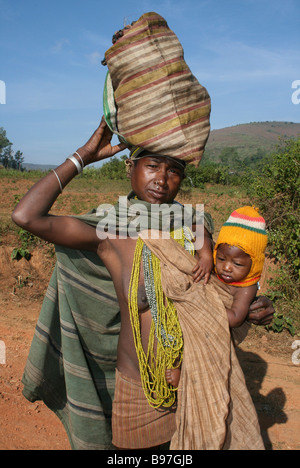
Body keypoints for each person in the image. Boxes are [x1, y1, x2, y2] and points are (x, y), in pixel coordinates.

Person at [11, 118, 274, 450]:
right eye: (152, 166)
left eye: (174, 170)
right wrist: (85, 155)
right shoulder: (112, 232)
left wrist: (255, 304)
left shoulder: (197, 229)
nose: (162, 180)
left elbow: (229, 289)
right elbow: (26, 217)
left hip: (199, 379)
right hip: (140, 388)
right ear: (129, 168)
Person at [166, 206, 268, 388]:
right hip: (203, 322)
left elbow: (236, 318)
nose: (227, 268)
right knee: (182, 335)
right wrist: (205, 258)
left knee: (201, 349)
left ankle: (183, 371)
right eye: (221, 259)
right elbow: (201, 237)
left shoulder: (246, 288)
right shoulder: (214, 267)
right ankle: (176, 364)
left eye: (237, 263)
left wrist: (202, 307)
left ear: (253, 265)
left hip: (216, 331)